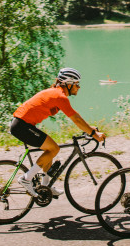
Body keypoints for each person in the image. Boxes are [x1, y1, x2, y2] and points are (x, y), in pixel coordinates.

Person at [10, 67, 106, 197]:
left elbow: (76, 119)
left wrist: (90, 129)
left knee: (49, 151)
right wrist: (93, 134)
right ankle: (26, 178)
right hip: (21, 126)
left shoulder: (55, 93)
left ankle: (46, 186)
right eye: (77, 84)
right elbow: (76, 119)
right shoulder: (59, 96)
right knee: (53, 149)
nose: (78, 87)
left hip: (22, 124)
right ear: (68, 83)